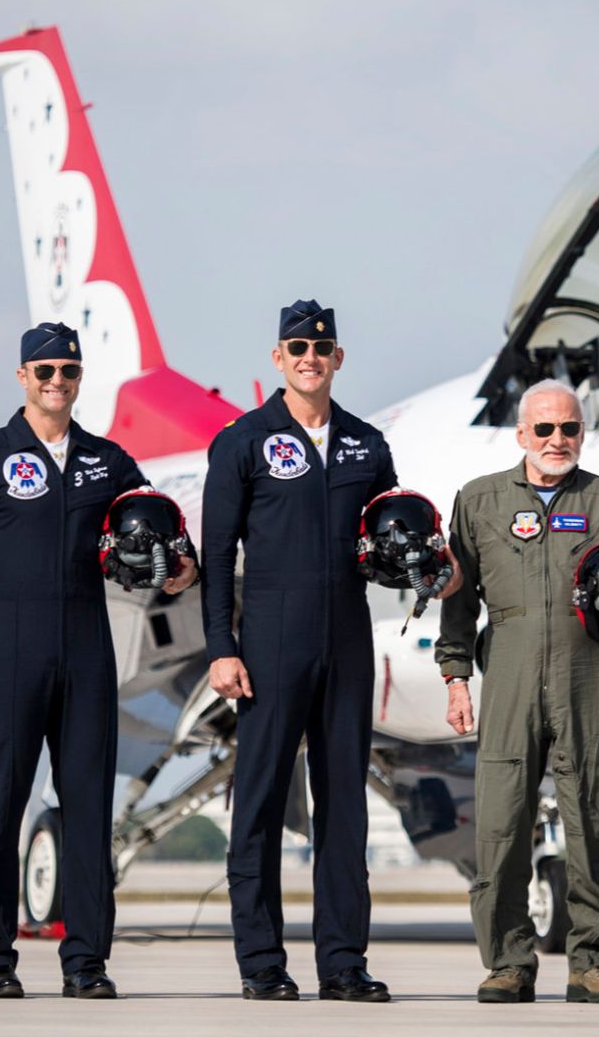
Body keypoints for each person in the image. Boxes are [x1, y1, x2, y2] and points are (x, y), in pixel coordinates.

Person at [0, 321, 196, 1001]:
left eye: (69, 372)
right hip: (13, 650)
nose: (57, 382)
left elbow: (161, 523)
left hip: (88, 651)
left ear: (80, 380)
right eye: (45, 371)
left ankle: (87, 962)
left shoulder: (107, 461)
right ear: (22, 376)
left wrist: (183, 565)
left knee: (89, 813)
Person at [436, 378, 599, 1005]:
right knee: (500, 824)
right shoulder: (479, 501)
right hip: (508, 673)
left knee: (594, 820)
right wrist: (455, 678)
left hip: (592, 676)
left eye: (570, 428)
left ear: (584, 433)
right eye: (546, 429)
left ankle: (592, 962)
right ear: (523, 434)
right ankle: (507, 962)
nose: (558, 440)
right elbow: (455, 596)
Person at [202, 299, 430, 1002]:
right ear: (278, 358)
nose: (309, 357)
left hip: (347, 641)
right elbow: (216, 553)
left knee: (345, 809)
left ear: (337, 359)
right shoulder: (243, 441)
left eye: (321, 348)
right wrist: (222, 645)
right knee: (262, 802)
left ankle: (343, 962)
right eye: (297, 347)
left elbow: (394, 539)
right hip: (269, 640)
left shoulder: (367, 443)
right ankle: (262, 962)